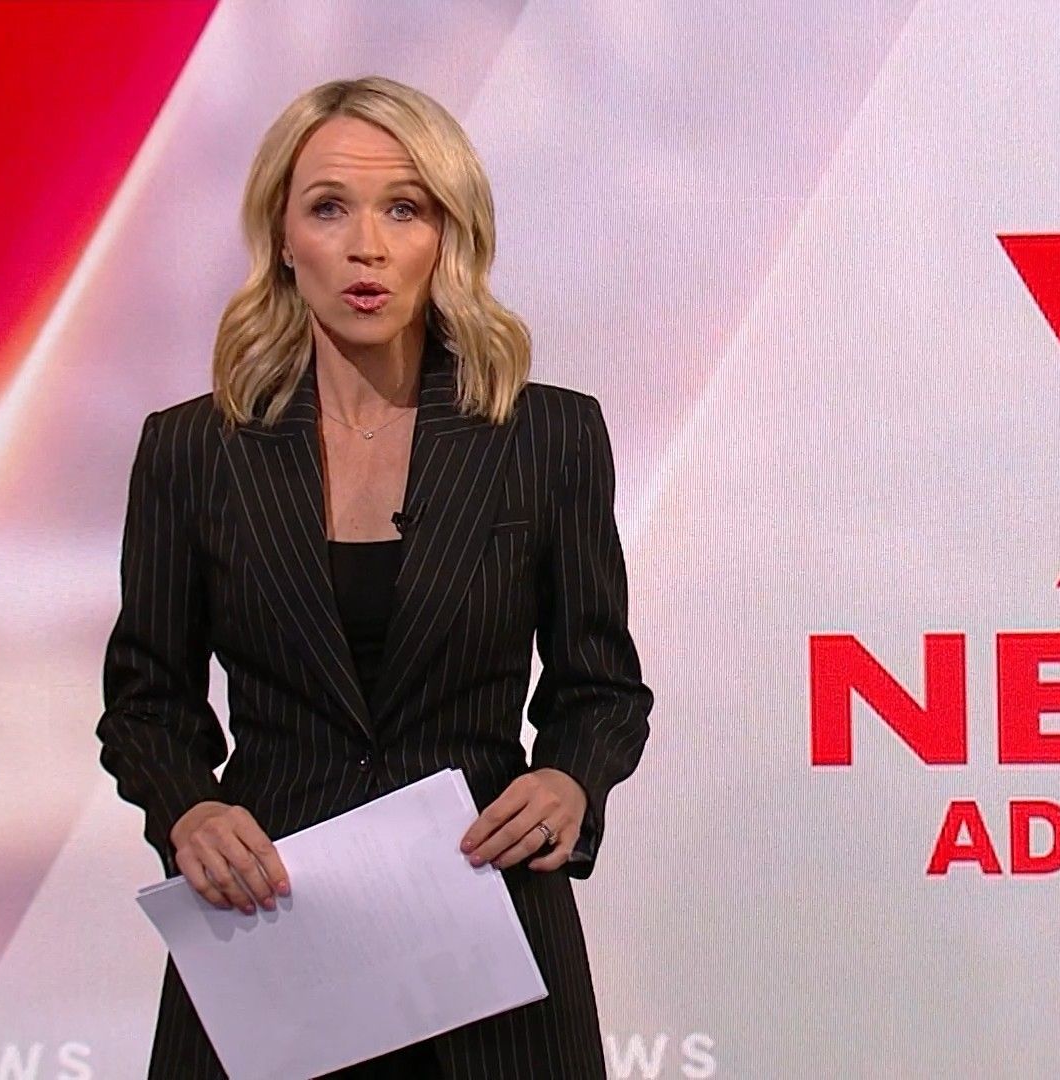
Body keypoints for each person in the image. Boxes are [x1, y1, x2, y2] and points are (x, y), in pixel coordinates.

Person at [95, 75, 653, 1079]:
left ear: (448, 235)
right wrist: (187, 809)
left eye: (404, 209)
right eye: (328, 208)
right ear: (281, 237)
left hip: (486, 932)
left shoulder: (548, 436)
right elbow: (146, 703)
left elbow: (602, 689)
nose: (367, 246)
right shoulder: (191, 450)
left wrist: (570, 778)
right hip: (269, 928)